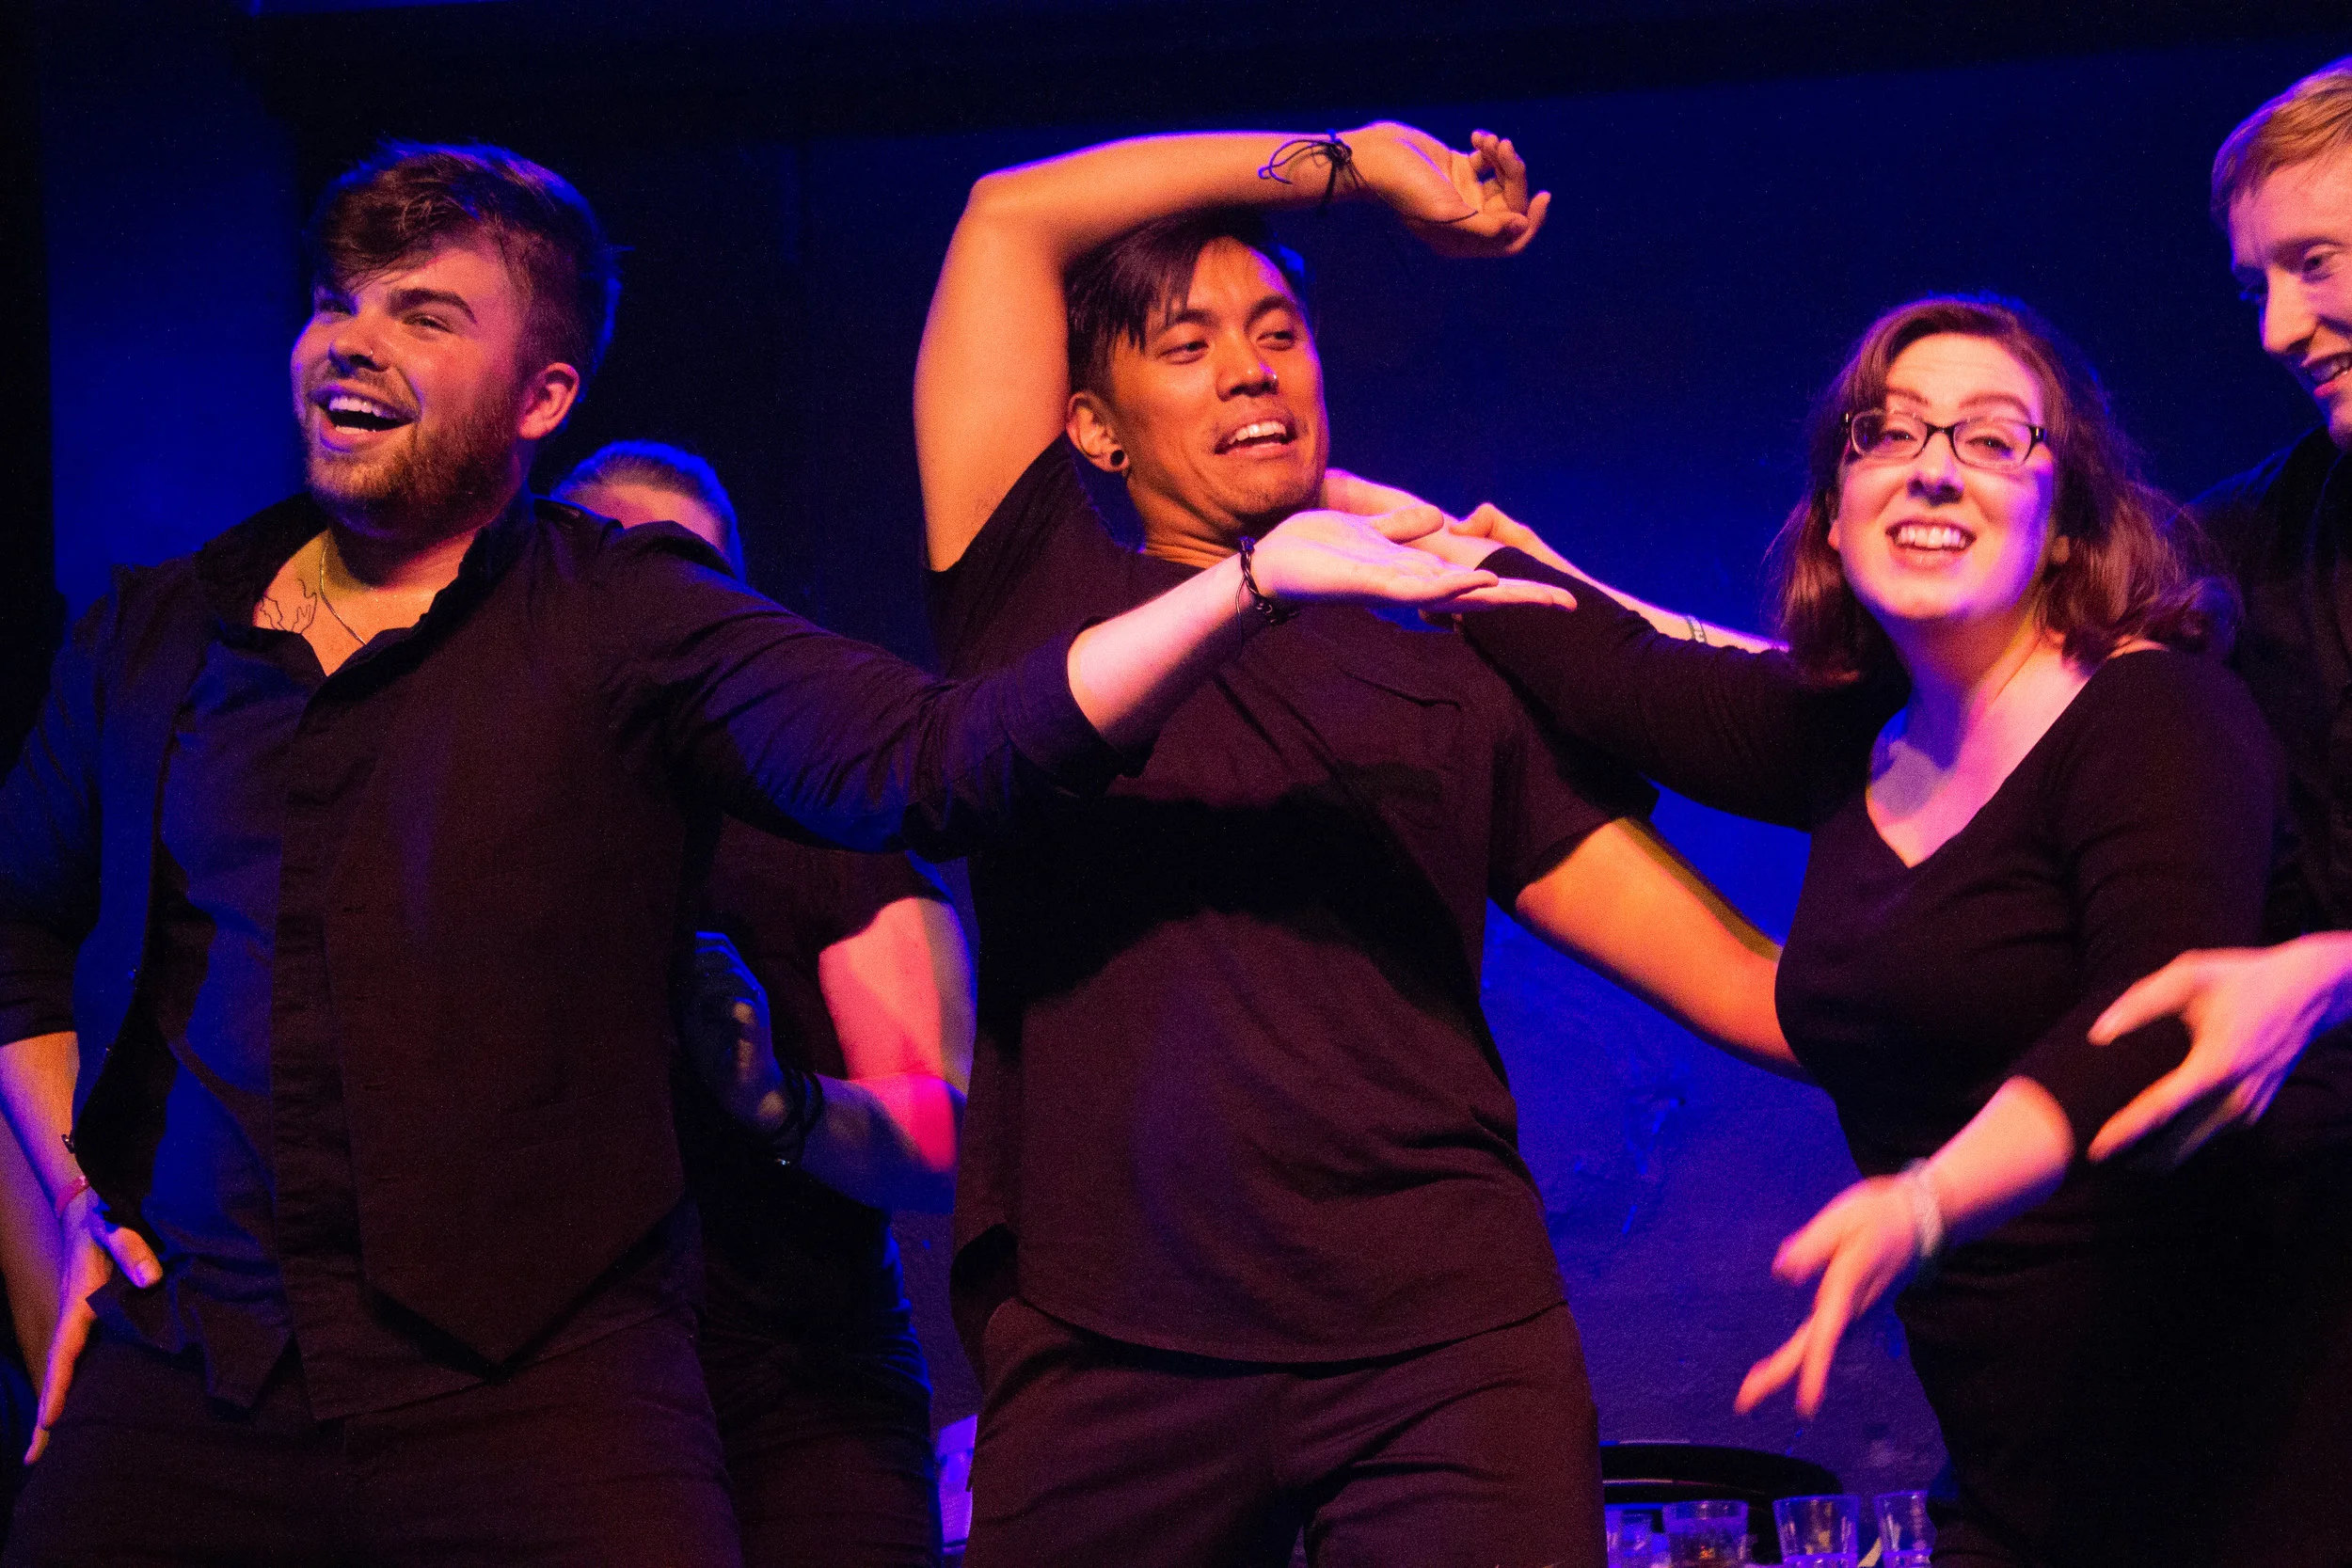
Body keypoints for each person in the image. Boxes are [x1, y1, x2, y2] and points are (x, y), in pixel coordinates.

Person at [0, 141, 1555, 1566]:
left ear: (542, 396)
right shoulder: (155, 633)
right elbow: (13, 927)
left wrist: (1253, 582)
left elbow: (941, 754)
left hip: (529, 1389)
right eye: (338, 302)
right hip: (191, 1385)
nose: (350, 340)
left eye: (422, 314)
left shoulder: (627, 622)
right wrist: (73, 1210)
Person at [917, 121, 1792, 1568]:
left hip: (1444, 1346)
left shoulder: (1446, 664)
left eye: (1278, 333)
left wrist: (2042, 1016)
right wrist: (1362, 165)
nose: (1251, 369)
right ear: (1094, 427)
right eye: (1189, 344)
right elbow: (1008, 213)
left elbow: (1748, 983)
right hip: (1114, 1342)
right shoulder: (1042, 601)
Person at [1424, 294, 2290, 1564]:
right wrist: (1387, 534)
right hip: (2023, 1472)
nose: (1933, 463)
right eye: (1887, 432)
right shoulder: (1856, 737)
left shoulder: (2153, 713)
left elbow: (2158, 1023)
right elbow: (1625, 675)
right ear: (1835, 510)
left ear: (2067, 521)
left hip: (2255, 1455)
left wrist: (1923, 1205)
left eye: (1991, 437)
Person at [558, 442, 965, 1568]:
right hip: (568, 1387)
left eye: (688, 579)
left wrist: (778, 1100)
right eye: (618, 570)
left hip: (803, 1387)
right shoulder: (486, 834)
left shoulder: (825, 822)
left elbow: (944, 1138)